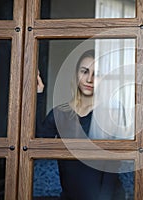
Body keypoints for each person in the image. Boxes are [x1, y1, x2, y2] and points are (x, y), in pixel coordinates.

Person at [36, 49, 125, 200]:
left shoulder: (111, 111)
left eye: (96, 74)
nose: (89, 79)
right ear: (76, 75)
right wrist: (39, 93)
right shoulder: (60, 113)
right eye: (84, 72)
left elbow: (112, 164)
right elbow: (37, 143)